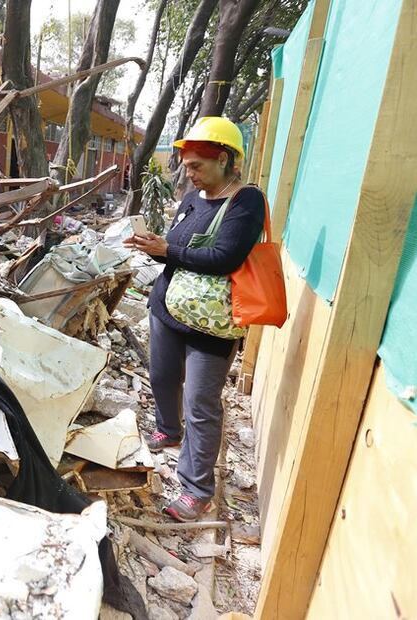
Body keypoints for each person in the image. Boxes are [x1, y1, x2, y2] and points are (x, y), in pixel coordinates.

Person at [124, 116, 265, 522]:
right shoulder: (192, 197)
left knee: (201, 403)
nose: (189, 173)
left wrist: (168, 250)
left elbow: (224, 258)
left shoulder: (246, 202)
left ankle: (196, 489)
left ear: (224, 159)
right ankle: (169, 430)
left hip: (211, 325)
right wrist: (154, 246)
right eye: (187, 166)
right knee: (162, 377)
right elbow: (178, 249)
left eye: (197, 166)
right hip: (168, 307)